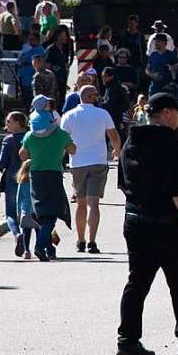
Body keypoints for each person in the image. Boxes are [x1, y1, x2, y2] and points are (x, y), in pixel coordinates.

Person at [116, 92, 178, 355]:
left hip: (136, 221)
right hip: (168, 225)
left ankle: (128, 341)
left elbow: (122, 184)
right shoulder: (170, 143)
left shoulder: (130, 141)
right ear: (166, 113)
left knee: (137, 282)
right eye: (176, 111)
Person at [59, 85, 121, 254]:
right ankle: (92, 242)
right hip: (98, 162)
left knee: (81, 204)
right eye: (96, 95)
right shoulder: (103, 114)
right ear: (91, 97)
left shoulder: (69, 115)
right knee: (94, 204)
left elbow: (62, 139)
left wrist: (61, 158)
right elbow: (114, 136)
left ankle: (80, 240)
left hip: (78, 163)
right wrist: (117, 150)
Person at [19, 108, 76, 261]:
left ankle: (48, 248)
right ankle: (40, 246)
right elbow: (73, 150)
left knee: (41, 213)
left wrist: (34, 154)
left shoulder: (29, 136)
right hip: (54, 176)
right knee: (51, 214)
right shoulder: (61, 134)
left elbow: (22, 154)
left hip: (36, 177)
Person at [0, 111, 30, 259]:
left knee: (11, 213)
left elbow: (2, 163)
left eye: (9, 122)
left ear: (18, 122)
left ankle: (17, 235)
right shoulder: (31, 136)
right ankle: (31, 246)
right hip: (30, 178)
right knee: (29, 211)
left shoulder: (8, 140)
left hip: (12, 179)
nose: (6, 125)